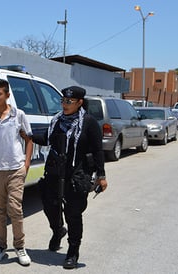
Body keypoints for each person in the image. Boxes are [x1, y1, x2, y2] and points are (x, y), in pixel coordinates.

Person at [30, 86, 108, 269]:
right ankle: (58, 231)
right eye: (63, 101)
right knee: (50, 206)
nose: (65, 105)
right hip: (55, 172)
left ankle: (73, 251)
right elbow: (48, 139)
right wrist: (28, 135)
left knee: (73, 213)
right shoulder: (57, 121)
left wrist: (101, 175)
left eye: (69, 102)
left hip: (77, 174)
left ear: (79, 103)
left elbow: (98, 150)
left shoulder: (88, 123)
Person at [0, 79, 33, 266]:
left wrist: (26, 164)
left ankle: (20, 247)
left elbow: (28, 140)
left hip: (15, 169)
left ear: (7, 95)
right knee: (0, 211)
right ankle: (1, 246)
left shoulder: (19, 115)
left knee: (15, 210)